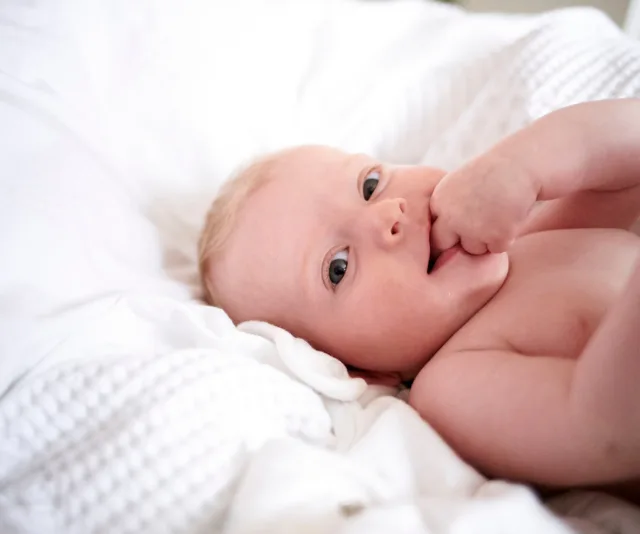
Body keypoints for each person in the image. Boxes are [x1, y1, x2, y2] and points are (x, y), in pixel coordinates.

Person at [198, 99, 640, 500]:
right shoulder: (452, 387)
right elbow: (607, 425)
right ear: (361, 369)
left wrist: (523, 163)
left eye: (370, 185)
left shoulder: (533, 238)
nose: (387, 214)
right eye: (339, 267)